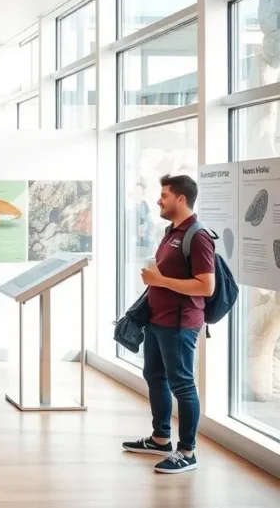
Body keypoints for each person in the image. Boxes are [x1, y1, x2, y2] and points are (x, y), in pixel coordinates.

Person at [123, 174, 215, 474]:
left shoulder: (197, 235)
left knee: (183, 385)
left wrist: (160, 280)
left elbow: (206, 286)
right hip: (157, 320)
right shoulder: (170, 231)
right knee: (154, 376)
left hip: (179, 324)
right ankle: (161, 438)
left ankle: (187, 451)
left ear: (181, 198)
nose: (158, 200)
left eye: (163, 195)